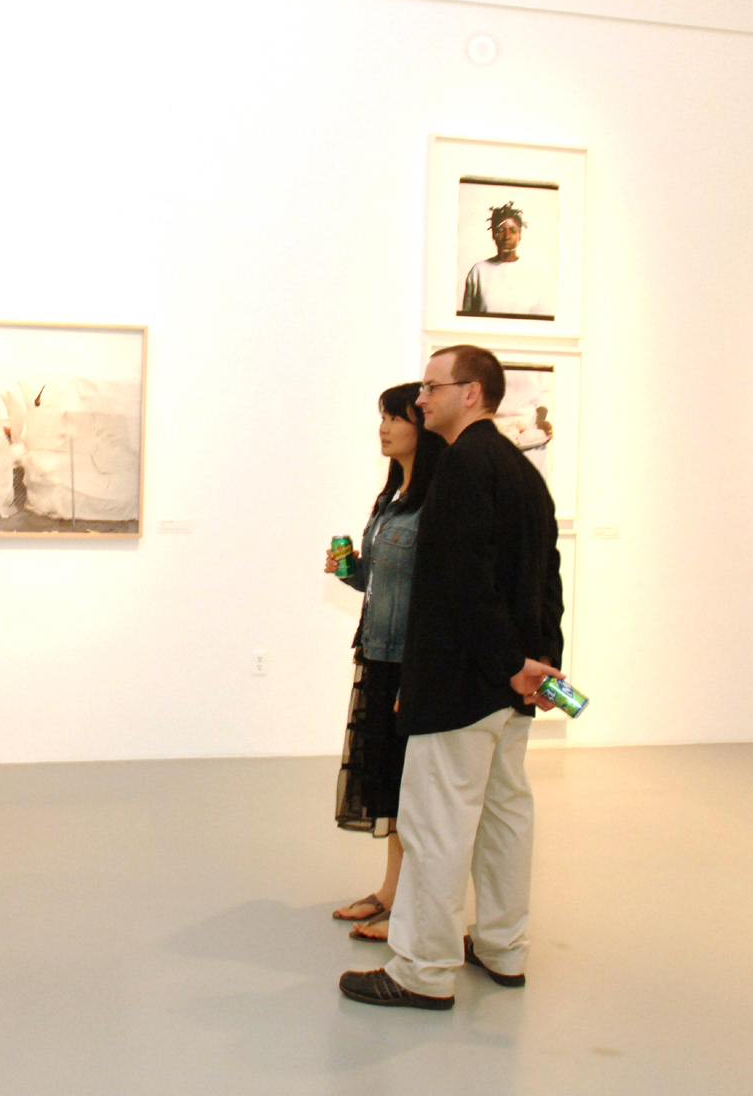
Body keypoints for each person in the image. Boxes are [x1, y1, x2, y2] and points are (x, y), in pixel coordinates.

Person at [340, 344, 564, 1011]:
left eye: (431, 388)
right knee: (504, 819)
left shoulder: (463, 466)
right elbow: (546, 580)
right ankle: (502, 947)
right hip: (508, 691)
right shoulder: (520, 470)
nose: (421, 400)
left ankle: (422, 969)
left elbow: (466, 586)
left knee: (436, 822)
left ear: (471, 393)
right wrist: (540, 666)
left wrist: (509, 664)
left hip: (464, 686)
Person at [326, 382, 445, 943]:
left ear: (422, 427)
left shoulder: (435, 501)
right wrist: (349, 570)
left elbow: (434, 594)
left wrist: (418, 675)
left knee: (414, 792)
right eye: (383, 417)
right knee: (391, 787)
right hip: (377, 654)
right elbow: (380, 581)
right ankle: (391, 893)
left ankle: (409, 906)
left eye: (396, 418)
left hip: (408, 662)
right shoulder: (391, 497)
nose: (384, 428)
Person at [461, 202, 547, 317]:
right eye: (501, 230)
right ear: (493, 234)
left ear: (520, 234)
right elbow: (466, 317)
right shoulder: (478, 271)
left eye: (513, 230)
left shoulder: (534, 273)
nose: (507, 236)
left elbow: (541, 319)